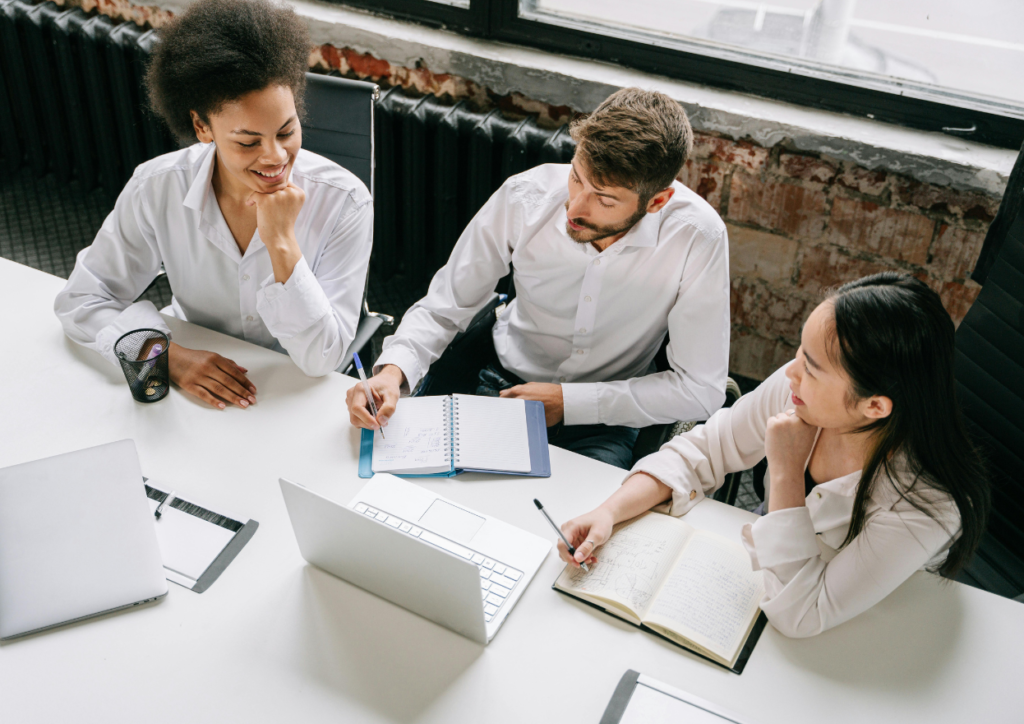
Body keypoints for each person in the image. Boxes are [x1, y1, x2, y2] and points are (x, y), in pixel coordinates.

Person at [555, 273, 989, 637]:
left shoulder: (926, 505)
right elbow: (704, 450)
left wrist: (784, 471)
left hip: (864, 635)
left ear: (874, 405)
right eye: (801, 351)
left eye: (812, 367)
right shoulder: (798, 390)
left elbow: (802, 613)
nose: (790, 372)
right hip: (757, 591)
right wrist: (610, 512)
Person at [346, 87, 731, 468]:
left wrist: (570, 404)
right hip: (498, 382)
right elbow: (444, 307)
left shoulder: (698, 238)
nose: (575, 208)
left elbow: (701, 390)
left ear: (657, 201)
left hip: (606, 415)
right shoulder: (525, 196)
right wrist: (393, 370)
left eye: (605, 199)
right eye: (577, 177)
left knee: (578, 524)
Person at [54, 0, 372, 409]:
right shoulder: (158, 186)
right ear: (202, 127)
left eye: (286, 130)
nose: (275, 156)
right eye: (248, 141)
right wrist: (172, 359)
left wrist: (281, 243)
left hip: (292, 393)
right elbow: (83, 299)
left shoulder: (346, 201)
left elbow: (323, 358)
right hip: (192, 388)